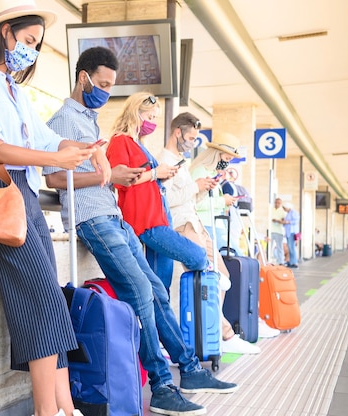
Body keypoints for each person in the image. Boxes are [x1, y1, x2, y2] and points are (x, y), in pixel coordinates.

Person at [44, 47, 237, 416]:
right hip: (93, 220)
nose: (104, 92)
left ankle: (190, 370)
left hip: (114, 216)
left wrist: (111, 179)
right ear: (83, 78)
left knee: (157, 292)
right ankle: (162, 386)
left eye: (110, 86)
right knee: (140, 291)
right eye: (101, 83)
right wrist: (108, 176)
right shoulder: (64, 120)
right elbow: (54, 177)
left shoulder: (88, 121)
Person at [0, 2, 111, 416]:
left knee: (53, 304)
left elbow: (45, 140)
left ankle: (64, 409)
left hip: (26, 193)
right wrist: (55, 161)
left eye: (37, 45)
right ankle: (47, 411)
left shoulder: (16, 91)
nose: (31, 51)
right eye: (29, 41)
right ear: (5, 33)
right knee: (41, 302)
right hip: (1, 186)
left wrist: (84, 150)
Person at [158, 112, 262, 354]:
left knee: (222, 276)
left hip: (196, 225)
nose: (194, 142)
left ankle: (215, 331)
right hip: (184, 226)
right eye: (192, 137)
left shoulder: (181, 162)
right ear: (178, 132)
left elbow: (190, 199)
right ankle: (224, 334)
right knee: (209, 277)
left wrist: (204, 190)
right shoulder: (166, 161)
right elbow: (166, 198)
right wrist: (198, 187)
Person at [104, 92, 208, 293]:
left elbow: (145, 178)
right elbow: (120, 179)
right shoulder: (120, 141)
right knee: (199, 257)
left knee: (161, 287)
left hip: (159, 219)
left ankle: (160, 324)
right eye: (150, 117)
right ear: (136, 113)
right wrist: (154, 173)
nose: (153, 123)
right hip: (146, 222)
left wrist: (161, 176)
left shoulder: (138, 145)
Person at [189, 132, 241, 251]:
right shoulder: (200, 172)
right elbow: (195, 203)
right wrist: (223, 201)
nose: (227, 163)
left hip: (214, 225)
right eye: (227, 158)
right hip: (206, 226)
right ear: (216, 154)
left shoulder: (212, 173)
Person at [281, 202, 300, 268]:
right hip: (288, 232)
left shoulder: (293, 212)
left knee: (292, 248)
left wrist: (287, 222)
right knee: (290, 247)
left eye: (284, 208)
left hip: (292, 232)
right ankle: (291, 262)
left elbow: (296, 221)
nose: (284, 209)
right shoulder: (288, 213)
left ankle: (294, 262)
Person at [271, 198, 287, 265]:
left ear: (281, 204)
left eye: (278, 203)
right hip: (271, 231)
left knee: (279, 247)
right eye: (276, 202)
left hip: (279, 231)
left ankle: (281, 261)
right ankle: (269, 260)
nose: (277, 204)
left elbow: (285, 222)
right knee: (269, 246)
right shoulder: (271, 209)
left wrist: (277, 221)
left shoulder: (283, 212)